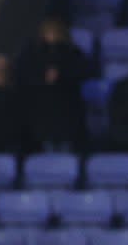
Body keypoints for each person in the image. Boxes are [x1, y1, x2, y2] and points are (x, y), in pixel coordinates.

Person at [18, 17, 89, 152]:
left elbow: (83, 71)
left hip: (67, 108)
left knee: (66, 152)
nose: (53, 34)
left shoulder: (72, 52)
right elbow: (25, 74)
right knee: (46, 152)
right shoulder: (33, 53)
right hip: (42, 110)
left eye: (56, 31)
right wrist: (43, 78)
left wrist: (61, 75)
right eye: (49, 31)